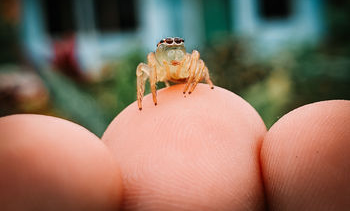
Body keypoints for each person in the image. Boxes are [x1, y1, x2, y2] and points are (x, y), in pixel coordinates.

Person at [0, 84, 349, 210]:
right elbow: (146, 70)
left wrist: (201, 81)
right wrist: (145, 96)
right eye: (166, 46)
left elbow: (196, 63)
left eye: (177, 44)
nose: (172, 49)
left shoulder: (188, 56)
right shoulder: (156, 62)